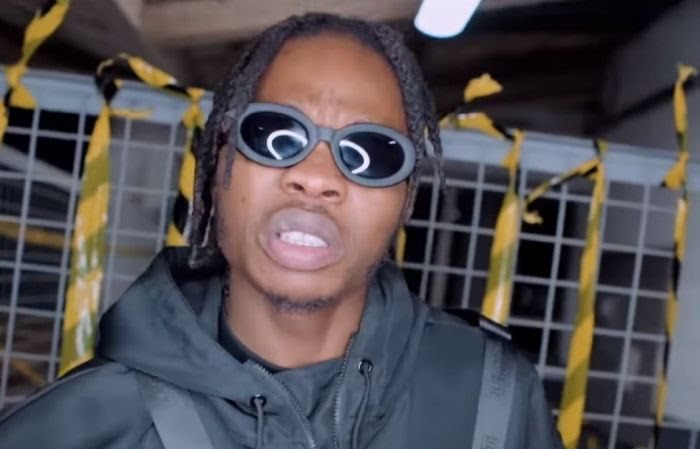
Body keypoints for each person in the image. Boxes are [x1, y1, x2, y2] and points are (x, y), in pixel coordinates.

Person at [0, 13, 563, 449]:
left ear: (405, 201)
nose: (316, 178)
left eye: (370, 154)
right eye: (276, 136)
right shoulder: (87, 427)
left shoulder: (492, 400)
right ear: (217, 166)